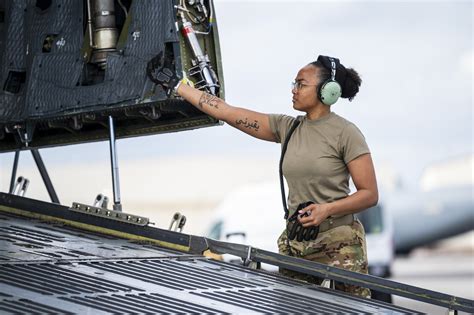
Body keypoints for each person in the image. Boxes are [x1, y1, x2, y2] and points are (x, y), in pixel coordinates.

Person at [149, 55, 378, 298]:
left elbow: (369, 194)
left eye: (301, 84)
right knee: (291, 308)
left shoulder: (347, 133)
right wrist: (176, 85)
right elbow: (227, 112)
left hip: (339, 243)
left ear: (327, 91)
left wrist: (326, 209)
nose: (294, 90)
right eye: (294, 83)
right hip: (297, 241)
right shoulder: (287, 127)